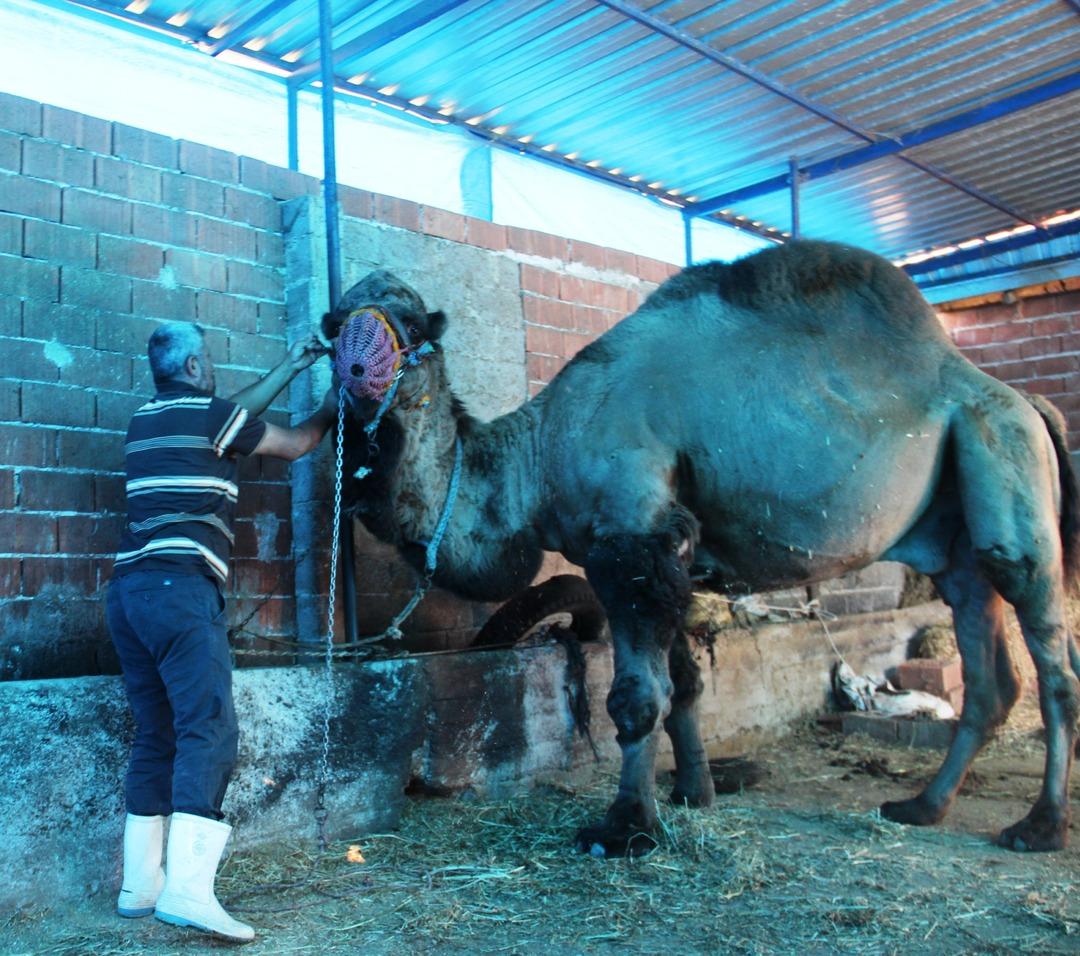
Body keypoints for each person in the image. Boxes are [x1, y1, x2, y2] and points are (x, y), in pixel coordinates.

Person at [107, 320, 336, 943]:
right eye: (207, 360)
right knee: (209, 730)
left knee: (156, 733)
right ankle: (187, 892)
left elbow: (229, 413)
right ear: (192, 366)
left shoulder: (146, 422)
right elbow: (292, 444)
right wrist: (333, 401)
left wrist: (291, 366)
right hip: (180, 591)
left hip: (127, 596)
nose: (212, 370)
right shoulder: (210, 420)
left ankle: (141, 886)